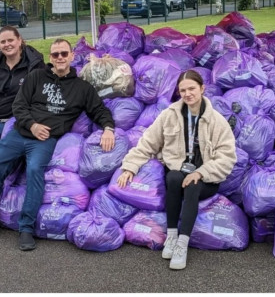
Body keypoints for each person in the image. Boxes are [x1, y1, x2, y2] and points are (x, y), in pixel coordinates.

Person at [1, 38, 116, 251]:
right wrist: (33, 125)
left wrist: (108, 128)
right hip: (20, 134)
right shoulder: (36, 77)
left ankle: (25, 228)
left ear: (72, 56)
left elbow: (99, 110)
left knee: (35, 170)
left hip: (45, 141)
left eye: (64, 54)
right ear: (51, 58)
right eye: (55, 55)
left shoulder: (82, 88)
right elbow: (19, 106)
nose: (60, 58)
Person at [116, 69, 236, 270]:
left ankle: (182, 243)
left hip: (205, 178)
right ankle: (171, 235)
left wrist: (201, 172)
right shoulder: (169, 115)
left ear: (202, 89)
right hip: (179, 171)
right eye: (183, 90)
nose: (188, 94)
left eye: (192, 89)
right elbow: (148, 143)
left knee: (193, 185)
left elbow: (227, 157)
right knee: (172, 177)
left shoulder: (217, 121)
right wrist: (130, 167)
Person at [0, 26, 44, 131]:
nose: (7, 44)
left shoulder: (35, 65)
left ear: (19, 40)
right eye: (3, 42)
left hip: (16, 121)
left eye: (10, 40)